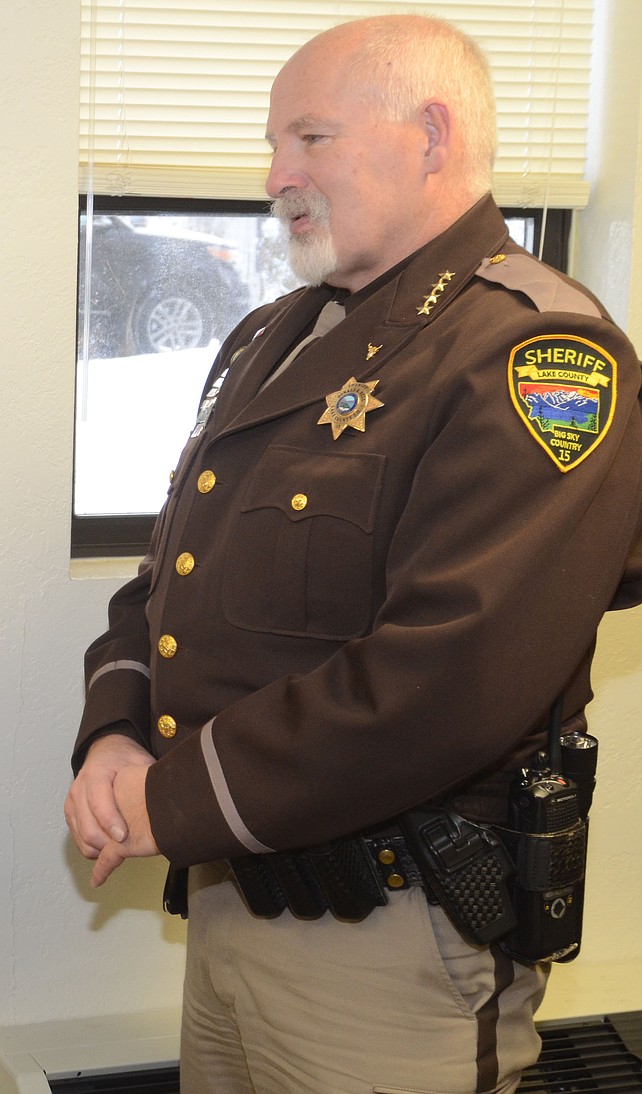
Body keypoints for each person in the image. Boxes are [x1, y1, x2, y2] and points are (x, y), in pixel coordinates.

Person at [64, 15, 642, 1093]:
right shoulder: (275, 335)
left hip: (392, 933)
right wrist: (114, 737)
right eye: (275, 143)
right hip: (238, 891)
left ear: (431, 133)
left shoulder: (536, 349)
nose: (276, 173)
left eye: (311, 138)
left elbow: (451, 673)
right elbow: (171, 578)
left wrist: (173, 800)